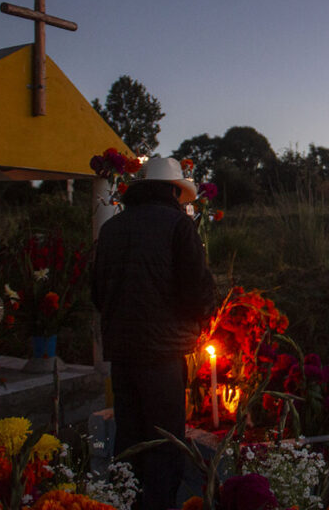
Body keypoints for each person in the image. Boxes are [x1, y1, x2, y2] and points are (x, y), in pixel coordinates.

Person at [92, 157, 216, 510]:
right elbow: (196, 291)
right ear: (176, 191)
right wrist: (201, 317)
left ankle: (121, 502)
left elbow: (96, 293)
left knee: (128, 440)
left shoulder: (113, 228)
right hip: (162, 355)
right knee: (165, 445)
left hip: (122, 352)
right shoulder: (179, 224)